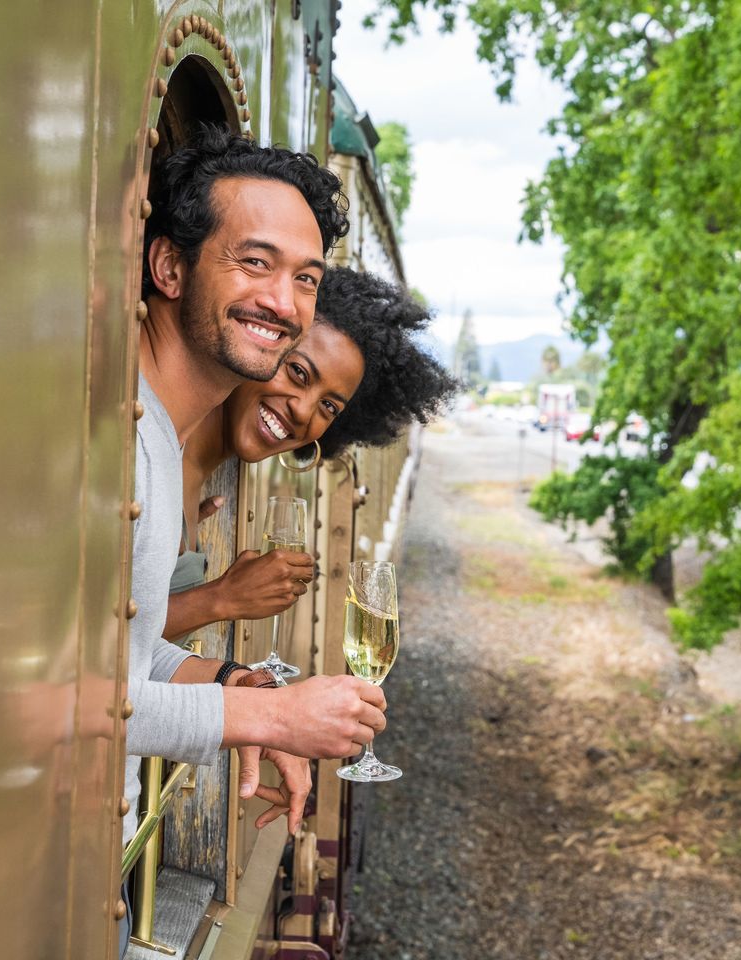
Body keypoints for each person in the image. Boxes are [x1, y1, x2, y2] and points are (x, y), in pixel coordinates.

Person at [120, 127, 388, 868]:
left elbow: (122, 663)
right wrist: (269, 713)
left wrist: (241, 689)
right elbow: (53, 697)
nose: (283, 301)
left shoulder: (157, 438)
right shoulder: (113, 442)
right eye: (256, 262)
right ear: (169, 266)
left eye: (306, 279)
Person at [164, 265, 458, 641]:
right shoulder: (155, 458)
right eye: (299, 373)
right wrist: (222, 599)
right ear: (260, 344)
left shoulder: (192, 480)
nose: (303, 412)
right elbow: (104, 642)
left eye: (329, 407)